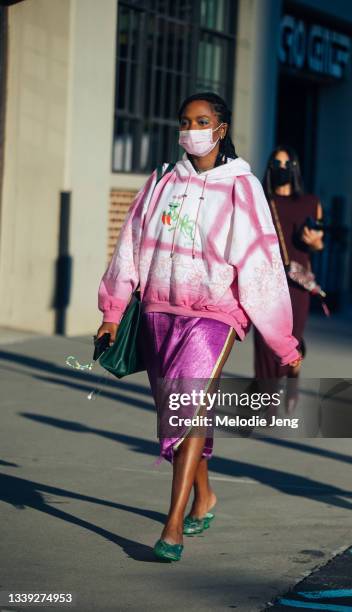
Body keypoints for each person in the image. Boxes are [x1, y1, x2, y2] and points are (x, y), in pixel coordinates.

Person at [95, 93, 301, 562]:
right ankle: (204, 497)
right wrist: (112, 310)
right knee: (183, 413)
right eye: (185, 121)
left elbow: (260, 265)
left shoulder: (242, 187)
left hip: (215, 313)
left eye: (202, 121)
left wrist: (282, 342)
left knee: (186, 408)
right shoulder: (161, 183)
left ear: (221, 129)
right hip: (157, 312)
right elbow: (130, 244)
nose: (192, 129)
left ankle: (172, 527)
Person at [254, 145, 324, 406]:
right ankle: (266, 403)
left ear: (295, 169)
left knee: (291, 341)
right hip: (264, 283)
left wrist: (316, 242)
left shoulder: (310, 203)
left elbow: (319, 244)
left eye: (287, 164)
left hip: (296, 284)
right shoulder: (260, 200)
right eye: (276, 163)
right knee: (264, 345)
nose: (281, 169)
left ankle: (292, 374)